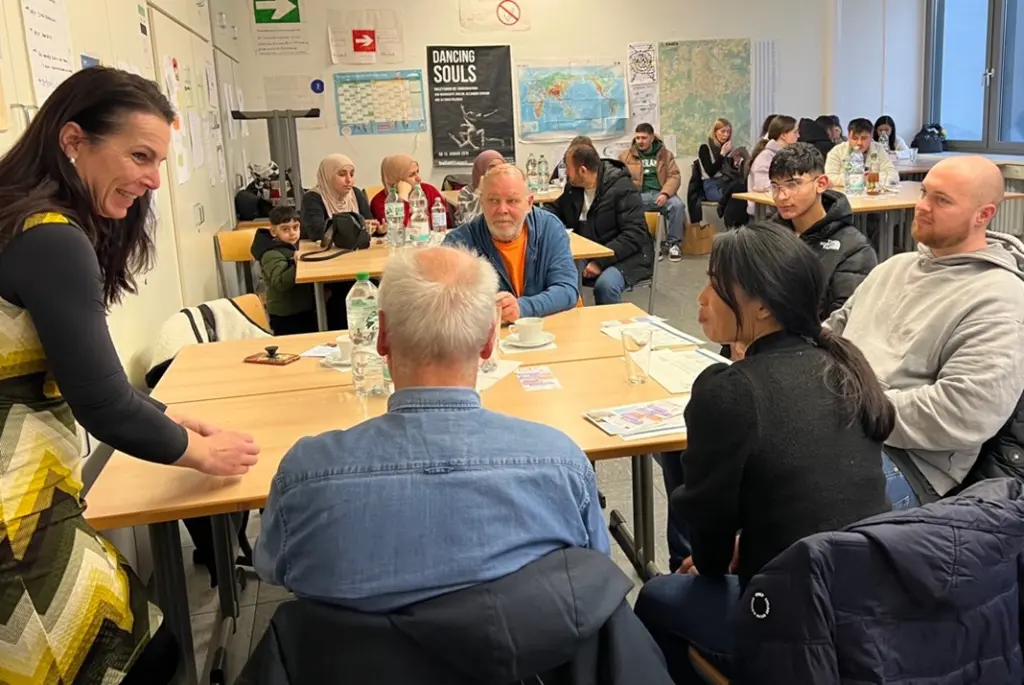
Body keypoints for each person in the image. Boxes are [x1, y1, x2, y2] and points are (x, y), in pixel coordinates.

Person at [0, 67, 260, 684]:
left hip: (32, 500)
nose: (151, 179)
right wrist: (199, 454)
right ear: (73, 141)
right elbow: (105, 405)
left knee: (150, 646)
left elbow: (94, 384)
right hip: (16, 519)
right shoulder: (52, 241)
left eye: (159, 161)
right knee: (134, 657)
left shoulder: (22, 223)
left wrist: (169, 417)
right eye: (139, 155)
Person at [254, 246, 610, 610]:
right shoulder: (562, 465)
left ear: (382, 337)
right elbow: (596, 562)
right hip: (518, 662)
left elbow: (271, 569)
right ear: (489, 340)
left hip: (359, 665)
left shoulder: (305, 475)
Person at [633, 223, 892, 683]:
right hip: (867, 606)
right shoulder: (842, 365)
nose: (700, 297)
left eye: (715, 285)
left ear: (764, 305)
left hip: (794, 626)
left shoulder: (730, 390)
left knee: (656, 596)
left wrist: (717, 559)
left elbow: (708, 537)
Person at [826, 156, 1024, 506]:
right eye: (924, 193)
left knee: (788, 503)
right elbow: (830, 334)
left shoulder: (1000, 297)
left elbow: (965, 411)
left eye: (942, 200)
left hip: (910, 461)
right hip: (837, 421)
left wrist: (849, 407)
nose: (922, 207)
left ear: (984, 215)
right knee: (719, 458)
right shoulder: (894, 267)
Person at [443, 164, 579, 322]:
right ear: (481, 202)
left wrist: (522, 308)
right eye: (493, 200)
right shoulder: (459, 244)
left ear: (529, 203)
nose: (502, 209)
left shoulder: (550, 229)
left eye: (512, 201)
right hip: (489, 338)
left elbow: (567, 290)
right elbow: (445, 304)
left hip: (549, 332)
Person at [769, 143, 877, 319]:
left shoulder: (854, 250)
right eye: (775, 186)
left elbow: (843, 324)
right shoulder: (766, 236)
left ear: (821, 184)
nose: (781, 196)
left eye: (793, 184)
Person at [549, 143, 653, 305]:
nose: (565, 173)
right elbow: (558, 209)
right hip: (594, 249)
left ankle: (610, 327)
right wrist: (534, 216)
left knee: (606, 285)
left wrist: (600, 261)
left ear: (582, 170)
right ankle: (574, 320)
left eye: (567, 168)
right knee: (564, 275)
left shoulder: (622, 188)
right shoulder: (575, 188)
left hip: (630, 255)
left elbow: (634, 235)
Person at [620, 123, 684, 262]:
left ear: (652, 138)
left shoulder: (665, 155)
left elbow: (674, 176)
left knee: (678, 206)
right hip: (639, 196)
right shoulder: (625, 157)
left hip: (661, 193)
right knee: (628, 210)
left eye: (644, 138)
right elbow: (620, 178)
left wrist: (665, 194)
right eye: (637, 138)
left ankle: (674, 244)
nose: (640, 141)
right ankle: (650, 245)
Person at [251, 205, 316, 335]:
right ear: (274, 232)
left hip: (301, 307)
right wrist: (296, 264)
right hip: (286, 313)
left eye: (295, 227)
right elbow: (280, 282)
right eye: (285, 229)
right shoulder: (271, 253)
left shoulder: (292, 246)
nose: (292, 232)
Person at [300, 153, 379, 242]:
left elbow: (369, 223)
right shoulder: (312, 198)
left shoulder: (355, 193)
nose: (349, 180)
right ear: (328, 176)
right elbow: (317, 233)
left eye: (352, 174)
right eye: (342, 174)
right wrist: (358, 227)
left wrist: (378, 229)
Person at [369, 154, 453, 228]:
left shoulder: (428, 190)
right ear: (395, 179)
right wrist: (403, 197)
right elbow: (399, 229)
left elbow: (446, 223)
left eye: (417, 172)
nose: (419, 178)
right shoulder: (379, 202)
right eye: (411, 175)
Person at [745, 115, 798, 215]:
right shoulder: (766, 157)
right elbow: (762, 186)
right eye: (795, 132)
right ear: (783, 135)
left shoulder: (786, 155)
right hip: (766, 214)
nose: (798, 136)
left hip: (778, 210)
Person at [825, 117, 899, 187]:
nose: (859, 143)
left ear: (871, 136)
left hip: (873, 195)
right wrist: (860, 179)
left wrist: (871, 177)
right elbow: (829, 178)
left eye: (864, 138)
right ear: (848, 136)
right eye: (854, 138)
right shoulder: (837, 151)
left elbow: (893, 175)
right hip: (846, 196)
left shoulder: (878, 149)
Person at [455, 149, 504, 225]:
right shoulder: (467, 192)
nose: (497, 171)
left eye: (501, 167)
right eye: (491, 167)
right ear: (480, 168)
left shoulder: (508, 190)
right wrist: (478, 192)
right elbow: (466, 223)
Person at [696, 118, 738, 204]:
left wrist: (736, 163)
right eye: (723, 131)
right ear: (715, 132)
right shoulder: (705, 148)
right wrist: (722, 154)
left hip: (726, 182)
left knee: (739, 197)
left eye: (728, 132)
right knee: (729, 200)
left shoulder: (728, 149)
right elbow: (710, 172)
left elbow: (730, 172)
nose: (726, 135)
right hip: (711, 184)